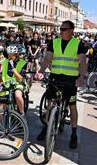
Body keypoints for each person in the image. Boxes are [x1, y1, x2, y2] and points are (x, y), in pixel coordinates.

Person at [37, 20, 88, 149]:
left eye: (63, 29)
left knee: (72, 106)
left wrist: (82, 77)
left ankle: (74, 134)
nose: (61, 31)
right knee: (50, 104)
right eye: (60, 29)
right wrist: (41, 71)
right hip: (55, 78)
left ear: (71, 30)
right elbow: (47, 58)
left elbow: (82, 61)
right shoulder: (54, 42)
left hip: (71, 80)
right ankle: (47, 127)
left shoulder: (78, 43)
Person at [0, 45, 27, 115]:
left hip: (18, 84)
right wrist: (1, 84)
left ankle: (21, 113)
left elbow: (20, 79)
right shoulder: (5, 62)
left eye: (12, 55)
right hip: (7, 85)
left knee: (17, 95)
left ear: (17, 54)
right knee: (0, 109)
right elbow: (2, 75)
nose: (10, 57)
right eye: (9, 54)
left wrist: (14, 69)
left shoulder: (23, 63)